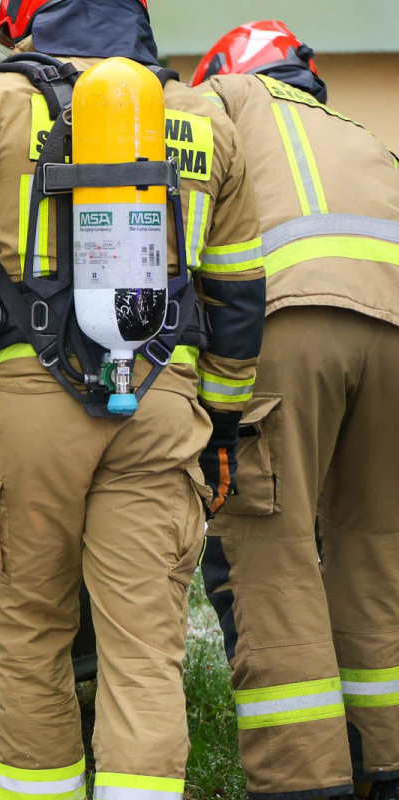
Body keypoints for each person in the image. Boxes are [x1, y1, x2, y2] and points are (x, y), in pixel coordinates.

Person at [0, 0, 266, 792]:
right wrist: (222, 422)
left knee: (26, 643)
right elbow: (239, 295)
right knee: (145, 650)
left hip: (28, 410)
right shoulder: (203, 118)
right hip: (162, 407)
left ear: (28, 19)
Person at [195, 22, 399, 800]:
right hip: (392, 336)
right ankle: (387, 761)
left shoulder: (219, 105)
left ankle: (303, 781)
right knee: (377, 551)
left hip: (285, 331)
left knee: (273, 557)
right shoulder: (362, 135)